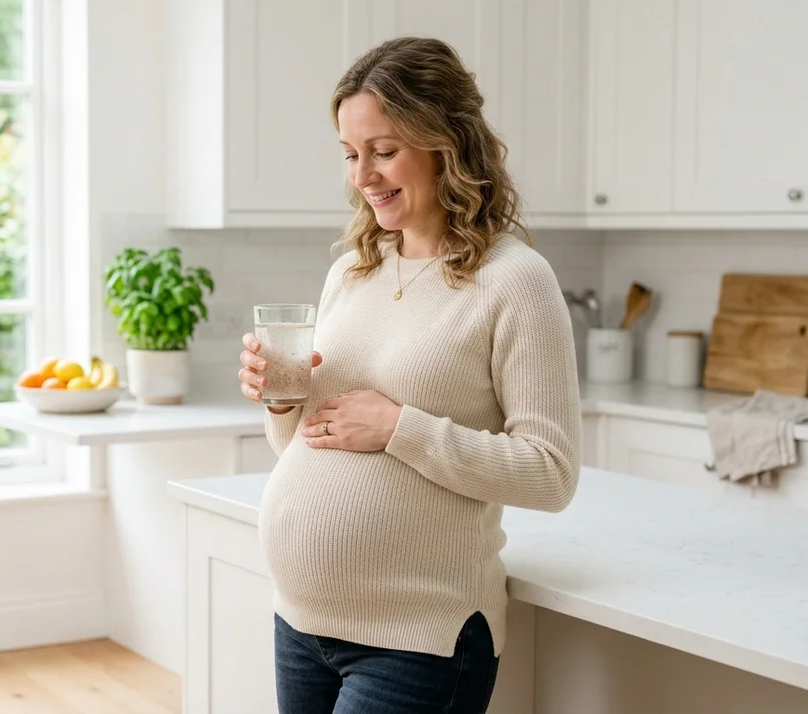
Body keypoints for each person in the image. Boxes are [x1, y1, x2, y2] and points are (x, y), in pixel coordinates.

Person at [237, 36, 582, 714]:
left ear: (446, 143)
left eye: (384, 150)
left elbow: (551, 473)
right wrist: (281, 401)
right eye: (349, 153)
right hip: (300, 625)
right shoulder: (352, 270)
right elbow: (303, 448)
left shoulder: (513, 281)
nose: (362, 174)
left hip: (419, 643)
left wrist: (400, 427)